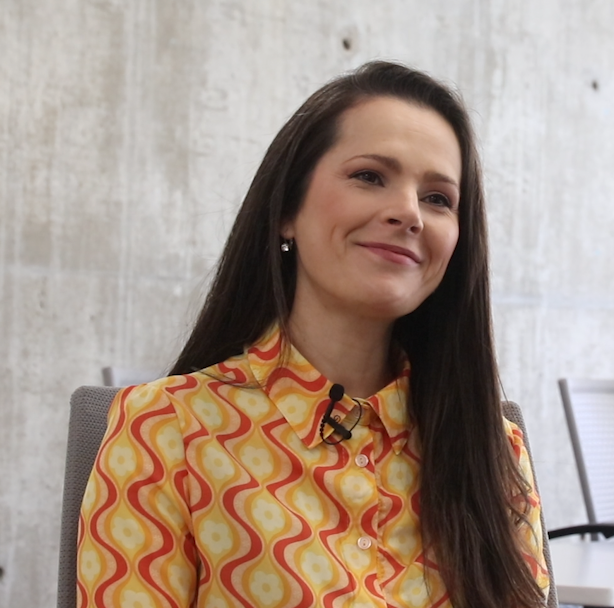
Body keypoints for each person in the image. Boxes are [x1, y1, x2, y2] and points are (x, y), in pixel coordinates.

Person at [77, 61, 550, 608]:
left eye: (438, 198)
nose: (409, 213)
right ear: (287, 210)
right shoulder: (166, 430)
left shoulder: (494, 449)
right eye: (369, 176)